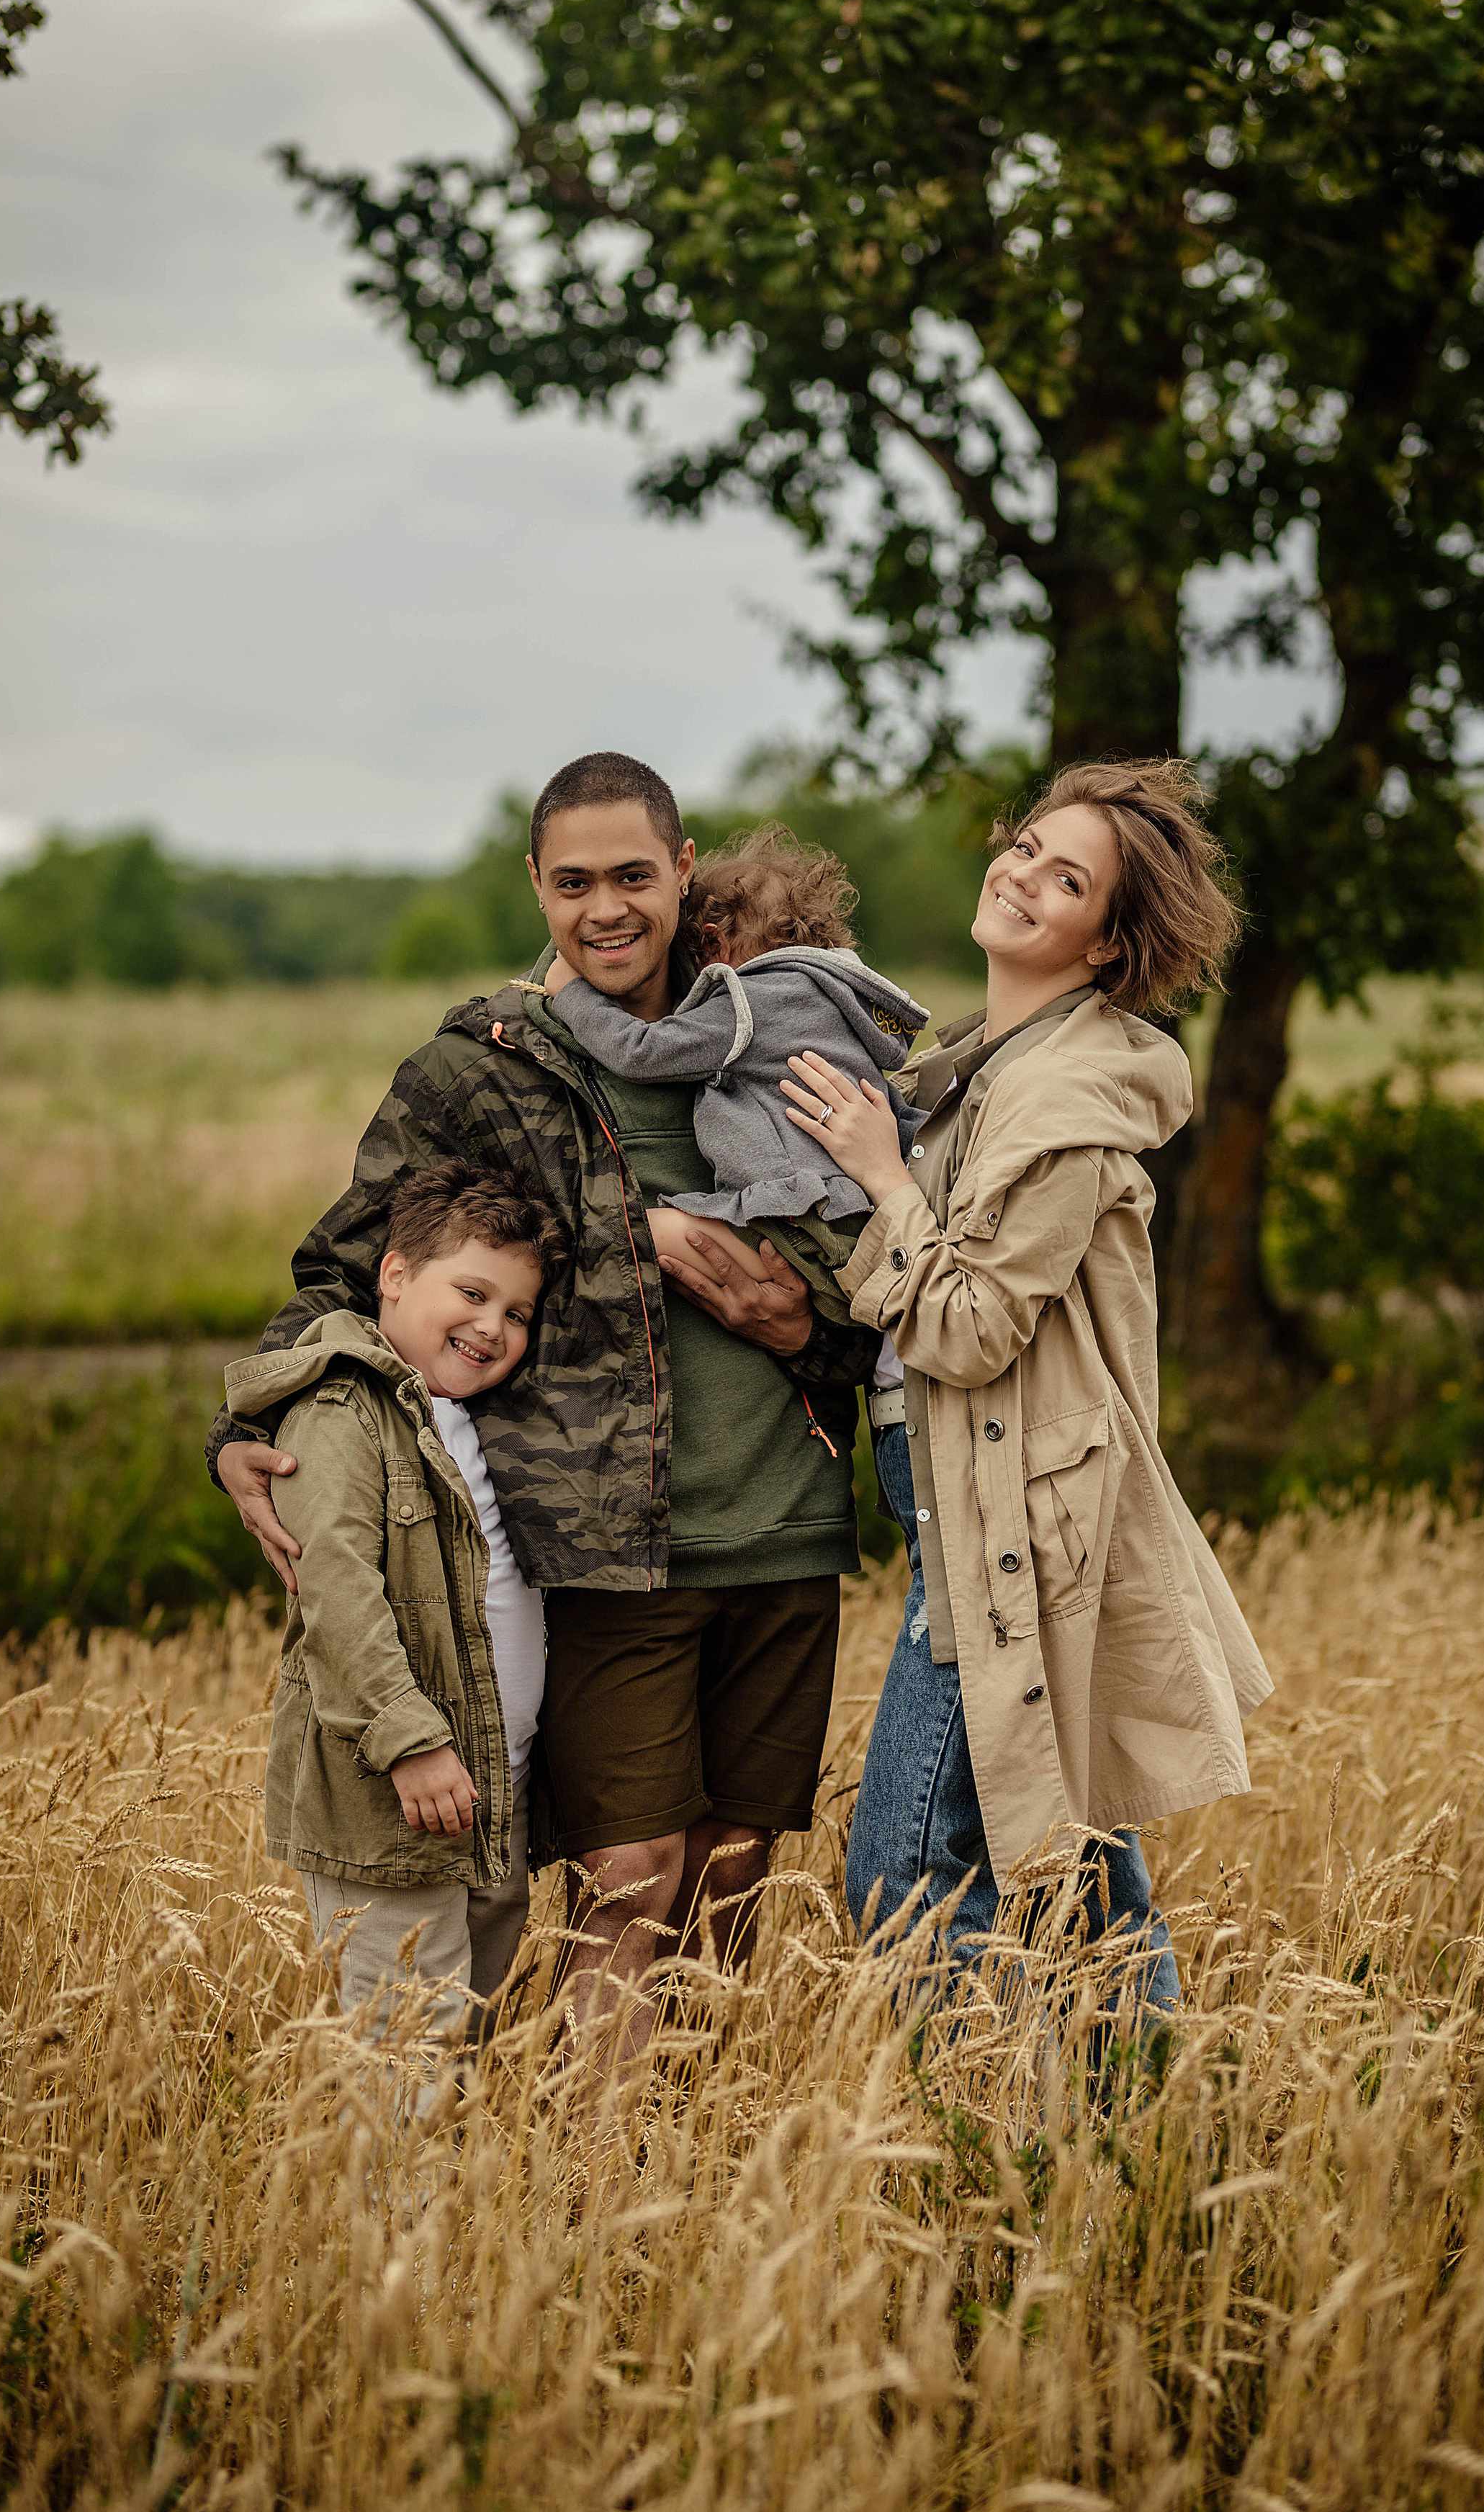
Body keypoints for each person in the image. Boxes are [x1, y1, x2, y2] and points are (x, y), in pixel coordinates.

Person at [207, 752, 878, 2072]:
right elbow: (344, 1274)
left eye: (633, 875)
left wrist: (811, 1333)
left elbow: (886, 1270)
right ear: (536, 885)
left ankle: (684, 2169)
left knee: (733, 1873)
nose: (606, 908)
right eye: (574, 883)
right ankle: (577, 2176)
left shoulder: (782, 1034)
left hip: (786, 1528)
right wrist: (243, 1427)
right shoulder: (484, 1069)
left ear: (683, 870)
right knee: (630, 1873)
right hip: (606, 1546)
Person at [778, 758, 1274, 2017]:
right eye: (1028, 847)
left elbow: (967, 1328)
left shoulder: (1063, 1098)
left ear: (1106, 943)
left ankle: (963, 2123)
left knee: (905, 1878)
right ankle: (1144, 2120)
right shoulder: (981, 1067)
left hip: (1008, 1516)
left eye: (1068, 881)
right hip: (973, 1490)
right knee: (1084, 1863)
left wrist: (884, 1178)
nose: (1022, 877)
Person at [225, 1160, 567, 2104]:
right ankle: (394, 2208)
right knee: (406, 2054)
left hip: (489, 1790)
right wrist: (409, 1740)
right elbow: (336, 1592)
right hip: (395, 1791)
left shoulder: (468, 1419)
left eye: (518, 1312)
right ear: (395, 1276)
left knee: (459, 2050)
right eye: (473, 1293)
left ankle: (443, 2198)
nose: (494, 1326)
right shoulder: (343, 1408)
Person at [548, 822, 929, 1320]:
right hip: (858, 1218)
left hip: (799, 1222)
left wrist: (571, 993)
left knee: (632, 1232)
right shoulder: (834, 997)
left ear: (714, 943)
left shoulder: (750, 1002)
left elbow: (640, 1052)